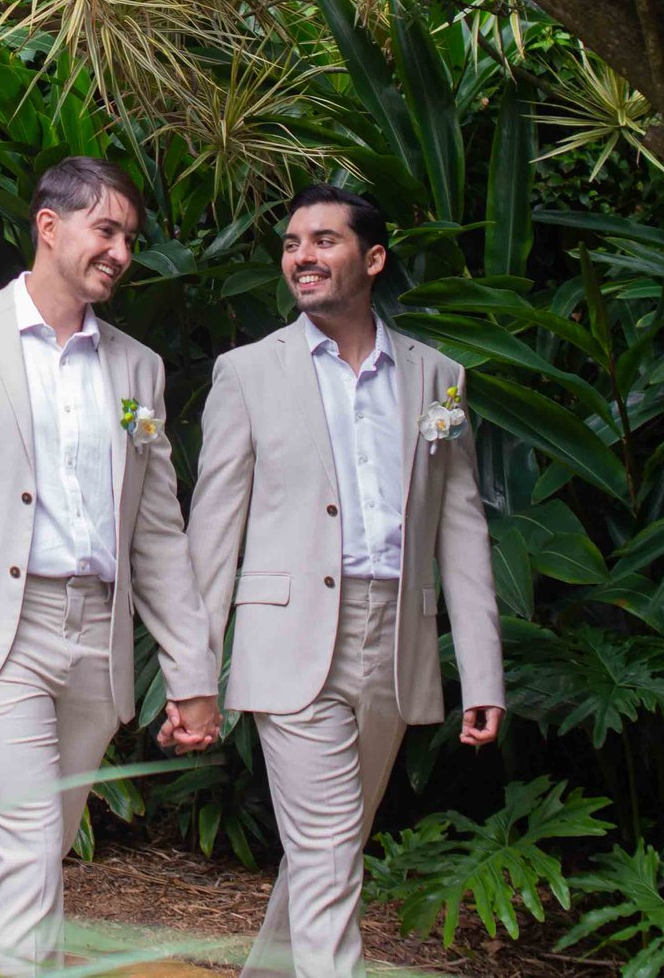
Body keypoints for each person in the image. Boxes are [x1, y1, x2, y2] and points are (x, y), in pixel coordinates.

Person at [0, 156, 223, 976]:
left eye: (130, 237)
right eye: (107, 230)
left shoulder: (139, 369)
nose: (122, 252)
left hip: (96, 641)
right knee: (29, 846)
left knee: (32, 855)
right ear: (49, 225)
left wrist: (191, 670)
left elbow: (158, 531)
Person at [187, 185, 505, 978]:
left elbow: (460, 526)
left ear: (372, 259)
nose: (302, 255)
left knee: (329, 849)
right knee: (330, 853)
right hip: (290, 644)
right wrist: (191, 669)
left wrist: (484, 674)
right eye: (293, 242)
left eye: (323, 240)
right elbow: (213, 531)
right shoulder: (247, 372)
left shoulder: (439, 377)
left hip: (395, 642)